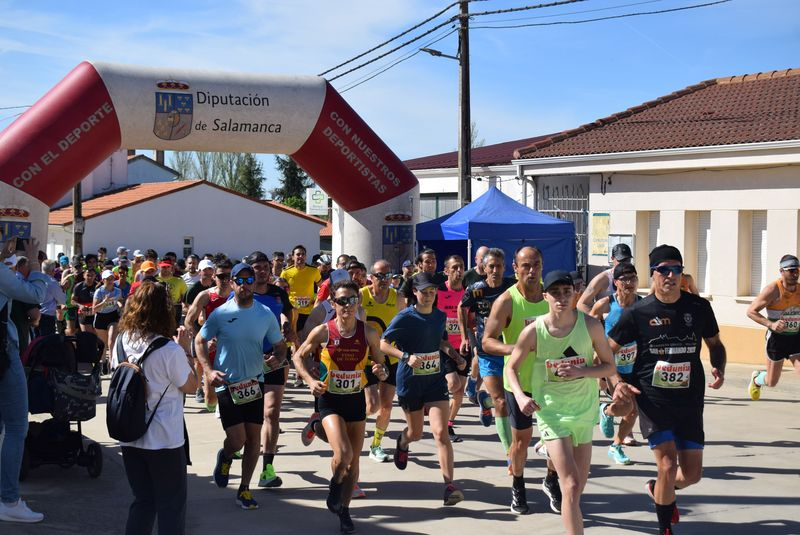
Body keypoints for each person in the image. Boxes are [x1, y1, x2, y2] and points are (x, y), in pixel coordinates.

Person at [608, 245, 726, 535]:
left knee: (693, 475)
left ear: (681, 273)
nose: (670, 275)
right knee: (667, 465)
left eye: (675, 269)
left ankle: (660, 490)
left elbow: (715, 344)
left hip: (690, 400)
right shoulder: (637, 312)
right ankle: (664, 529)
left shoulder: (698, 308)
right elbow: (607, 351)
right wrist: (616, 383)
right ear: (653, 274)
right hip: (653, 399)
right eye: (663, 270)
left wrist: (718, 367)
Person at [506, 270, 616, 534]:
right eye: (555, 293)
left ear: (575, 294)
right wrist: (521, 396)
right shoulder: (534, 331)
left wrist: (583, 372)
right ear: (545, 296)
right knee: (570, 485)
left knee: (577, 489)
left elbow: (609, 366)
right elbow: (511, 368)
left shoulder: (590, 326)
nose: (562, 298)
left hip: (583, 412)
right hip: (551, 413)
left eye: (567, 292)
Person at [293, 280, 389, 534]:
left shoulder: (368, 332)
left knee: (353, 463)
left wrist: (380, 371)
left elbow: (380, 364)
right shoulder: (324, 331)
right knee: (344, 453)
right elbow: (298, 356)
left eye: (351, 300)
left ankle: (344, 511)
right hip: (330, 399)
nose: (347, 306)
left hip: (355, 400)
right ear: (333, 303)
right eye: (341, 301)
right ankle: (334, 487)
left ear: (358, 302)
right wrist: (310, 380)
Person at [195, 263, 287, 510]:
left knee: (253, 439)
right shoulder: (221, 314)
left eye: (249, 280)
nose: (245, 285)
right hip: (227, 382)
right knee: (237, 440)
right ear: (232, 283)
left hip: (254, 382)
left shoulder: (265, 313)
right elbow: (199, 340)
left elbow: (280, 345)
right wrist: (208, 370)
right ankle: (225, 456)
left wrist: (277, 358)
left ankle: (244, 489)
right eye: (240, 280)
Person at [112, 281, 197, 535]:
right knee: (171, 506)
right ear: (164, 311)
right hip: (164, 440)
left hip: (130, 434)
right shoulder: (170, 350)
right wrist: (186, 351)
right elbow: (191, 386)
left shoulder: (121, 341)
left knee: (143, 502)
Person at [380, 272, 467, 507]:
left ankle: (449, 486)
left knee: (441, 433)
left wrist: (455, 355)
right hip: (410, 382)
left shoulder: (439, 316)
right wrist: (405, 356)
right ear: (414, 293)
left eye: (432, 292)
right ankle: (403, 441)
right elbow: (383, 344)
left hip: (435, 381)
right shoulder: (405, 317)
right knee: (416, 433)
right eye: (424, 292)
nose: (429, 296)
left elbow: (441, 341)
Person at [481, 246, 554, 514]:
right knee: (521, 442)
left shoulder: (552, 295)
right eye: (525, 266)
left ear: (542, 265)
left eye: (536, 264)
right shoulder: (507, 301)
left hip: (551, 381)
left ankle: (551, 480)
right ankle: (518, 484)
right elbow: (487, 341)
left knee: (558, 437)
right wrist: (515, 348)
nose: (531, 270)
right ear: (515, 269)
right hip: (519, 383)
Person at [0, 237, 46, 524]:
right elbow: (34, 293)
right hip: (3, 352)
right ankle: (8, 499)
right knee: (17, 426)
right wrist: (35, 264)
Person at [242, 251, 296, 488]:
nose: (262, 271)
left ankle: (268, 469)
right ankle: (231, 452)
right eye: (257, 267)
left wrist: (286, 326)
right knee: (247, 419)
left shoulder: (278, 293)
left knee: (271, 412)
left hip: (275, 358)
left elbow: (287, 313)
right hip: (247, 361)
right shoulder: (243, 294)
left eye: (265, 267)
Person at [458, 248, 515, 459]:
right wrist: (465, 336)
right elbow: (461, 307)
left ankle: (485, 400)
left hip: (511, 351)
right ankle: (509, 453)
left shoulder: (512, 287)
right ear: (483, 267)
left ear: (505, 267)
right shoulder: (476, 289)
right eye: (491, 266)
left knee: (511, 401)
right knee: (501, 401)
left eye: (499, 266)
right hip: (487, 350)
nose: (495, 270)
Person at [590, 262, 642, 465]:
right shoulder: (605, 305)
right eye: (625, 279)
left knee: (633, 411)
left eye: (633, 278)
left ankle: (616, 445)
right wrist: (597, 356)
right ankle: (607, 411)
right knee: (627, 406)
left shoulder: (642, 304)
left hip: (635, 365)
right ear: (616, 282)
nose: (630, 283)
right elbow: (590, 331)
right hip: (612, 366)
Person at [360, 259, 401, 463]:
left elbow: (404, 325)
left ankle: (376, 445)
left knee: (386, 406)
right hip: (367, 359)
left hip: (390, 359)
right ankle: (354, 422)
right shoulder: (361, 296)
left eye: (387, 275)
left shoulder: (398, 297)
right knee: (373, 406)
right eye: (379, 275)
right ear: (371, 276)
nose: (383, 280)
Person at [746, 254, 800, 400]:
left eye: (797, 270)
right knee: (771, 382)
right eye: (791, 270)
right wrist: (771, 324)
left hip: (796, 338)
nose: (795, 274)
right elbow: (751, 311)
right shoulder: (772, 290)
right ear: (782, 271)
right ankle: (757, 379)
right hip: (777, 340)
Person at [184, 259, 233, 411]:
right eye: (220, 276)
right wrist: (203, 340)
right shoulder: (205, 296)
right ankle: (215, 406)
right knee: (211, 398)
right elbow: (188, 321)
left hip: (234, 347)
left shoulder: (238, 295)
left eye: (227, 276)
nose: (224, 280)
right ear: (213, 277)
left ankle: (227, 413)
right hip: (212, 347)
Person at [436, 255, 469, 443]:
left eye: (461, 267)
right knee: (453, 383)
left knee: (459, 390)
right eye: (454, 267)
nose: (458, 271)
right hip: (444, 346)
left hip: (463, 346)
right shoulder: (439, 292)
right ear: (446, 271)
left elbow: (470, 319)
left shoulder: (467, 293)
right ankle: (436, 408)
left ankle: (448, 424)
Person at [577, 243, 633, 314]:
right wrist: (596, 320)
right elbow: (581, 304)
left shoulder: (632, 278)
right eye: (621, 260)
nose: (624, 263)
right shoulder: (602, 279)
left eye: (627, 260)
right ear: (612, 259)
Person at [280, 245, 321, 335]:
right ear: (293, 256)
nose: (301, 256)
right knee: (292, 338)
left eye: (303, 254)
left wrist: (317, 299)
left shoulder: (314, 271)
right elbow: (281, 291)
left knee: (307, 338)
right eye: (298, 254)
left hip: (308, 311)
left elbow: (322, 286)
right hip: (292, 312)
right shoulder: (286, 272)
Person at [93, 269, 124, 374]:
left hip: (113, 316)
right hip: (101, 317)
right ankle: (103, 363)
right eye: (108, 279)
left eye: (112, 278)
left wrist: (120, 305)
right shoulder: (99, 291)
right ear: (103, 280)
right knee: (103, 344)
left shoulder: (117, 291)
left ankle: (112, 364)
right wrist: (104, 302)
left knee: (111, 342)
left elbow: (119, 300)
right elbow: (94, 309)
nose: (110, 281)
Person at [37, 259, 66, 337]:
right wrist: (63, 289)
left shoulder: (36, 279)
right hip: (47, 316)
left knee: (36, 342)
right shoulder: (52, 282)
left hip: (35, 313)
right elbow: (62, 300)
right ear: (53, 270)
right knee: (47, 342)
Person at [72, 268, 99, 334]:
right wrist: (80, 305)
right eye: (88, 275)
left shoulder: (98, 286)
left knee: (96, 337)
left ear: (95, 276)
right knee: (87, 335)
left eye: (92, 275)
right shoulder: (78, 286)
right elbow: (72, 301)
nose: (90, 277)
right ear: (84, 275)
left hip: (95, 313)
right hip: (83, 313)